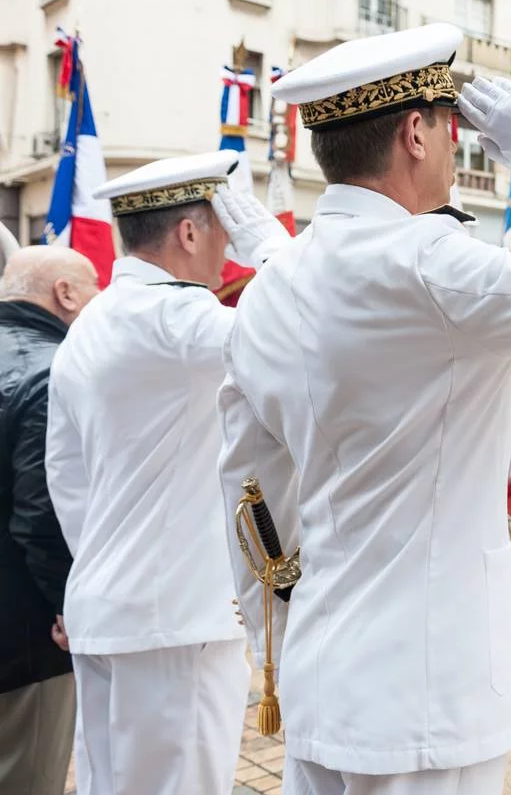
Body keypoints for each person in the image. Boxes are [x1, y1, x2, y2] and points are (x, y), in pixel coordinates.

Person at [216, 22, 511, 795]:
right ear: (415, 133)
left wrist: (286, 629)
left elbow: (250, 494)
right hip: (425, 697)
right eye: (449, 128)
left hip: (324, 675)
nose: (458, 150)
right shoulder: (428, 263)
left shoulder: (275, 286)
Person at [44, 150, 290, 795]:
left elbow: (66, 480)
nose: (227, 252)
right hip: (173, 618)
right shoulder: (178, 314)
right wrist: (274, 248)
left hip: (106, 604)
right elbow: (309, 335)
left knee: (110, 784)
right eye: (223, 229)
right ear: (189, 232)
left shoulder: (92, 321)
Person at [0, 245, 98, 795]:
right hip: (25, 640)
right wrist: (71, 605)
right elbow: (42, 519)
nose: (98, 303)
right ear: (65, 294)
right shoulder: (51, 372)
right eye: (93, 290)